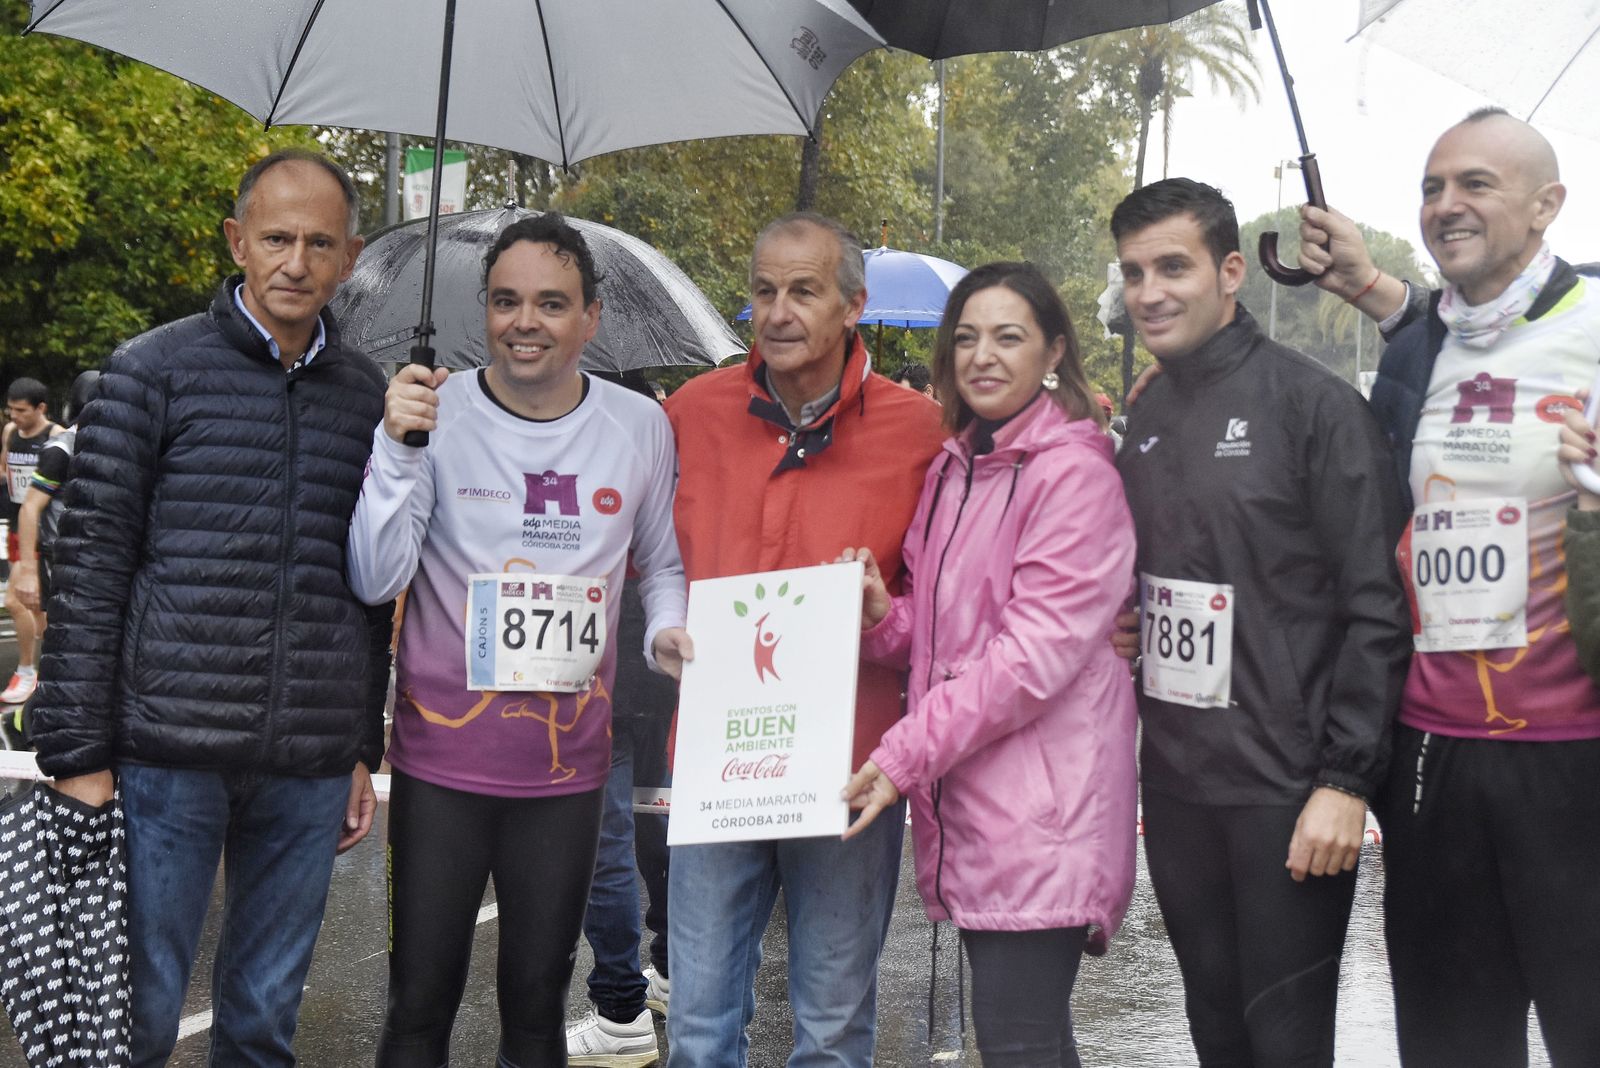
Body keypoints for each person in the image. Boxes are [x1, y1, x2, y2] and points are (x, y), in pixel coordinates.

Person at [29, 149, 390, 1067]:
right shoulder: (151, 371)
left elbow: (372, 586)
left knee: (264, 1023)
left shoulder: (372, 399)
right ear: (238, 240)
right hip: (164, 755)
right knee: (139, 1018)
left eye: (318, 242)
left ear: (350, 256)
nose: (295, 263)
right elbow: (90, 567)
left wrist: (358, 746)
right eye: (275, 238)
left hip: (306, 761)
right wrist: (77, 755)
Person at [347, 213, 690, 1068]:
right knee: (419, 1003)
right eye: (506, 302)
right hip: (440, 770)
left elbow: (664, 565)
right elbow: (375, 576)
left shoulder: (639, 426)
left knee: (537, 1007)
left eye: (550, 303)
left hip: (566, 775)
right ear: (484, 311)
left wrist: (671, 634)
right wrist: (395, 448)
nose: (525, 322)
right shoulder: (434, 411)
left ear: (591, 318)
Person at [1298, 107, 1600, 1066]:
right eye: (1432, 187)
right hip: (1431, 754)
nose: (1445, 205)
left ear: (1548, 205)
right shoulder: (1423, 344)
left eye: (1476, 183)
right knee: (1451, 1042)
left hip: (1575, 756)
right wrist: (1365, 281)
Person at [1112, 178, 1411, 1066]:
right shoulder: (1150, 409)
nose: (1150, 292)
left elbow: (1378, 607)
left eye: (1173, 266)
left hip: (1289, 791)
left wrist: (1347, 782)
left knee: (1285, 1044)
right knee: (1217, 1034)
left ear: (1231, 271)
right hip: (1174, 786)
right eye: (1133, 272)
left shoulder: (1316, 407)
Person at [663, 212, 947, 1068]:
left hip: (849, 771)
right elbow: (647, 559)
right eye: (764, 291)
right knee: (699, 1028)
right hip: (719, 762)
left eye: (804, 291)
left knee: (831, 1034)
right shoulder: (690, 413)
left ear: (854, 306)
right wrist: (666, 628)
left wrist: (878, 613)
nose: (779, 311)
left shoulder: (917, 433)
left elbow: (938, 614)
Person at [837, 261, 1138, 1067]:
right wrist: (882, 619)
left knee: (1020, 1041)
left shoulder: (1072, 476)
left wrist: (900, 757)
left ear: (1054, 354)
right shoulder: (958, 466)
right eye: (966, 337)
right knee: (1026, 1041)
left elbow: (1031, 659)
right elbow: (946, 639)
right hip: (980, 806)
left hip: (1044, 813)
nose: (982, 357)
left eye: (1009, 337)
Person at [565, 371, 678, 1068]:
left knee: (604, 836)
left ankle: (620, 1009)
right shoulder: (665, 421)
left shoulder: (572, 418)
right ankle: (666, 970)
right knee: (659, 816)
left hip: (600, 638)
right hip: (665, 641)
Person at [10, 370, 99, 734]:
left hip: (95, 558)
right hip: (59, 559)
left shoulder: (110, 442)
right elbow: (29, 508)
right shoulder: (62, 448)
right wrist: (29, 571)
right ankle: (36, 719)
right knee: (62, 641)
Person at [0, 377, 63, 704]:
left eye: (21, 411)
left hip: (42, 533)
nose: (14, 417)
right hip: (15, 527)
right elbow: (4, 473)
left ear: (41, 408)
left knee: (16, 602)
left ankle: (27, 671)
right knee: (36, 609)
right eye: (10, 410)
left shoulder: (56, 437)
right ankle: (56, 665)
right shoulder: (10, 433)